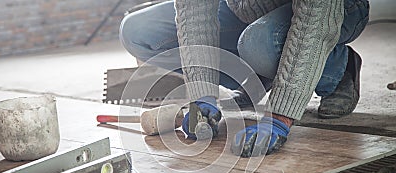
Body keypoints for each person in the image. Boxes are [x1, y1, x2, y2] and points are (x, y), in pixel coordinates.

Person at [120, 0, 369, 157]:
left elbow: (315, 25)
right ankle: (258, 78)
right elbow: (194, 13)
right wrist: (201, 94)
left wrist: (279, 117)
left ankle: (339, 68)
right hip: (244, 9)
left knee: (260, 43)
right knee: (138, 32)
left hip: (332, 10)